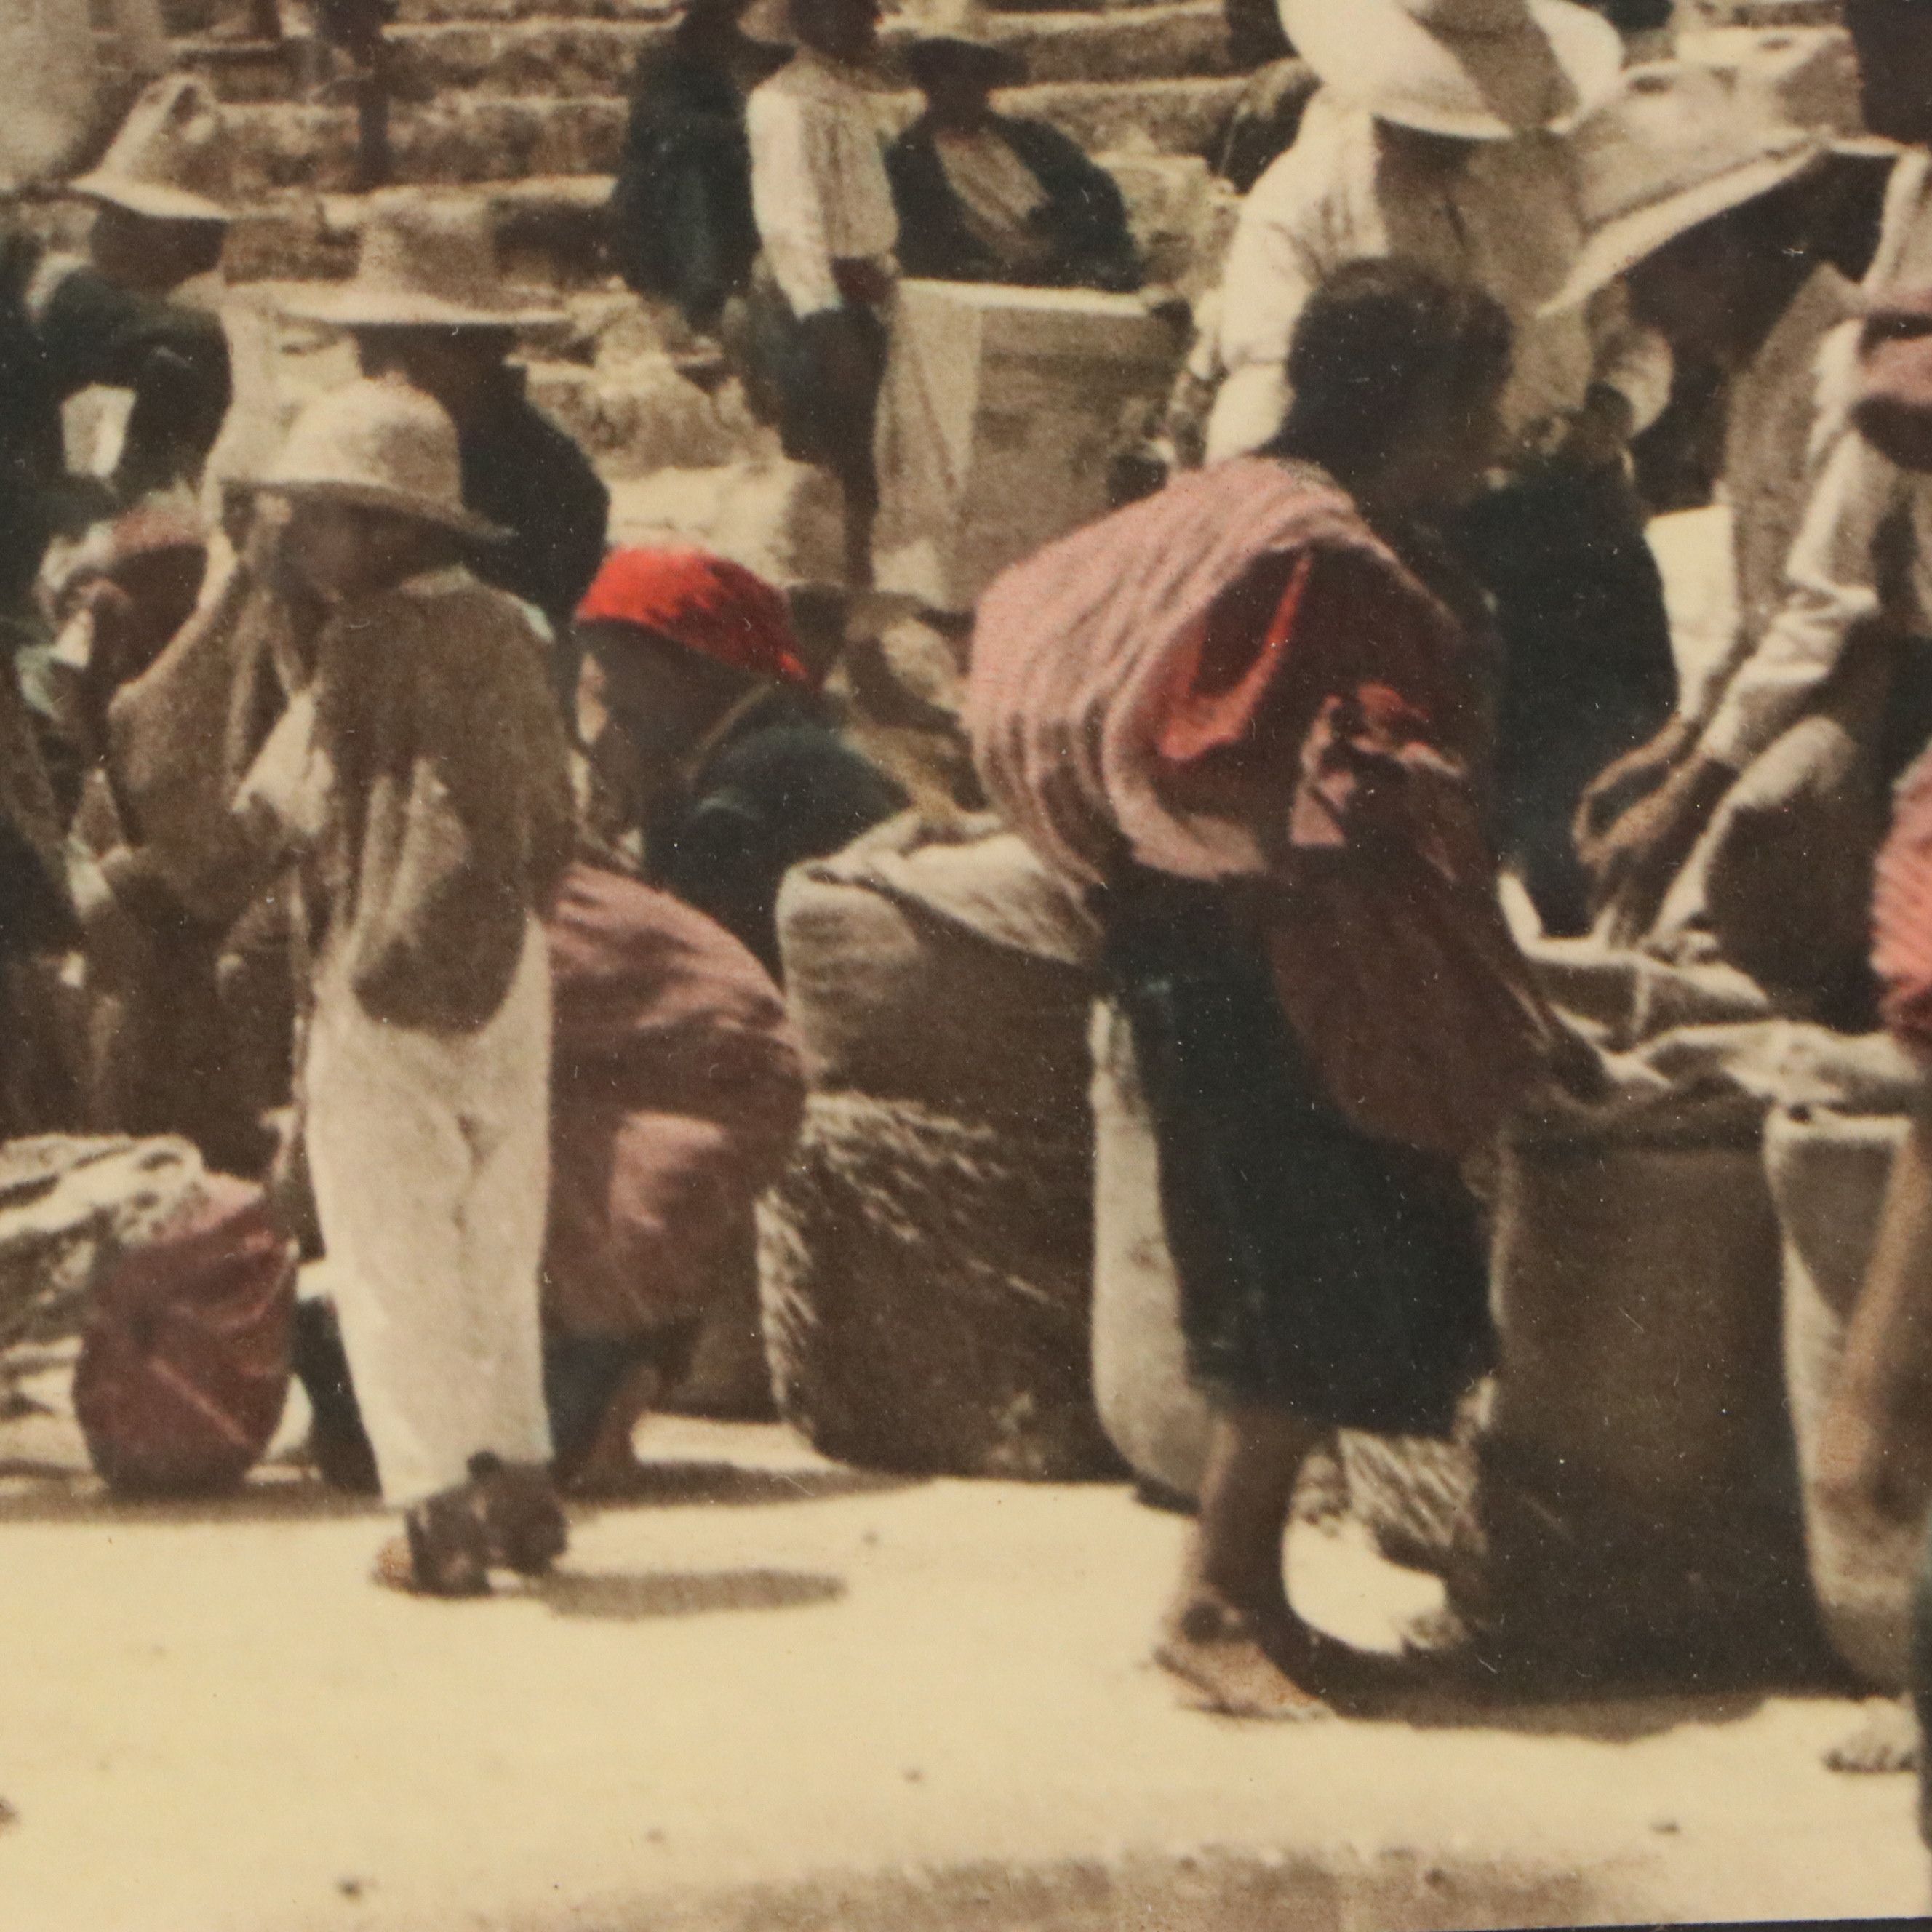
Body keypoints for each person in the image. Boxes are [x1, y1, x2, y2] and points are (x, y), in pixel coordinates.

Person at [968, 260, 1577, 1718]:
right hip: (1250, 951)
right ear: (1413, 404)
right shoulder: (1316, 555)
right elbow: (1208, 760)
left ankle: (1253, 1598)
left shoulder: (1244, 509)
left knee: (1307, 1261)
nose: (1489, 440)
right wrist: (1367, 821)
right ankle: (1214, 1603)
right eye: (1477, 405)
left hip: (1222, 938)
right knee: (1288, 1270)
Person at [1197, 0, 1673, 935]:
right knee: (1429, 823)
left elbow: (1635, 328)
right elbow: (1266, 377)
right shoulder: (1306, 197)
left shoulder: (1555, 175)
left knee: (1596, 804)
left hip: (1570, 525)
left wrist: (1609, 414)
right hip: (1408, 543)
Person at [237, 377, 575, 1595]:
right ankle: (523, 1482)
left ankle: (436, 1516)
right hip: (508, 962)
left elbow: (277, 808)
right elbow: (557, 814)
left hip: (383, 964)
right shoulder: (514, 630)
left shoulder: (363, 643)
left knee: (391, 1245)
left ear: (385, 530)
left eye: (316, 517)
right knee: (497, 1230)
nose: (296, 541)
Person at [1582, 0, 1932, 958]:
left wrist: (1693, 792)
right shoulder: (1755, 376)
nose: (1642, 310)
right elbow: (1760, 609)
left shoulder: (1827, 362)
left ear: (1719, 250)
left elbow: (1829, 604)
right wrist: (1678, 744)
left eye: (1650, 275)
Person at [279, 196, 610, 667]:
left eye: (412, 355)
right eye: (372, 355)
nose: (389, 378)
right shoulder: (348, 445)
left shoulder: (552, 481)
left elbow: (530, 650)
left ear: (484, 352)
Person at [574, 546, 905, 975]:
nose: (605, 692)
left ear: (693, 666)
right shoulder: (780, 741)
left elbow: (690, 963)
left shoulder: (755, 777)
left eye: (618, 665)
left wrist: (653, 804)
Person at [743, 0, 898, 588]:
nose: (867, 22)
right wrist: (827, 323)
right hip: (815, 308)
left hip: (862, 296)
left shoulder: (848, 99)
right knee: (827, 462)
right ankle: (821, 601)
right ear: (809, 19)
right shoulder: (784, 103)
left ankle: (857, 590)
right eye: (850, 10)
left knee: (865, 465)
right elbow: (791, 223)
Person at [883, 1, 1141, 294]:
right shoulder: (907, 163)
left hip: (1072, 272)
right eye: (951, 71)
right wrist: (996, 271)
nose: (966, 84)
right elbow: (922, 248)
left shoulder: (1033, 140)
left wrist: (1062, 238)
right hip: (988, 289)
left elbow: (1099, 195)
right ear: (928, 80)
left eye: (977, 73)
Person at [609, 0, 789, 338]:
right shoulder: (665, 64)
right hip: (663, 196)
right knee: (690, 179)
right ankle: (703, 297)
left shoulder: (730, 68)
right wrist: (743, 130)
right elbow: (668, 128)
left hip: (721, 182)